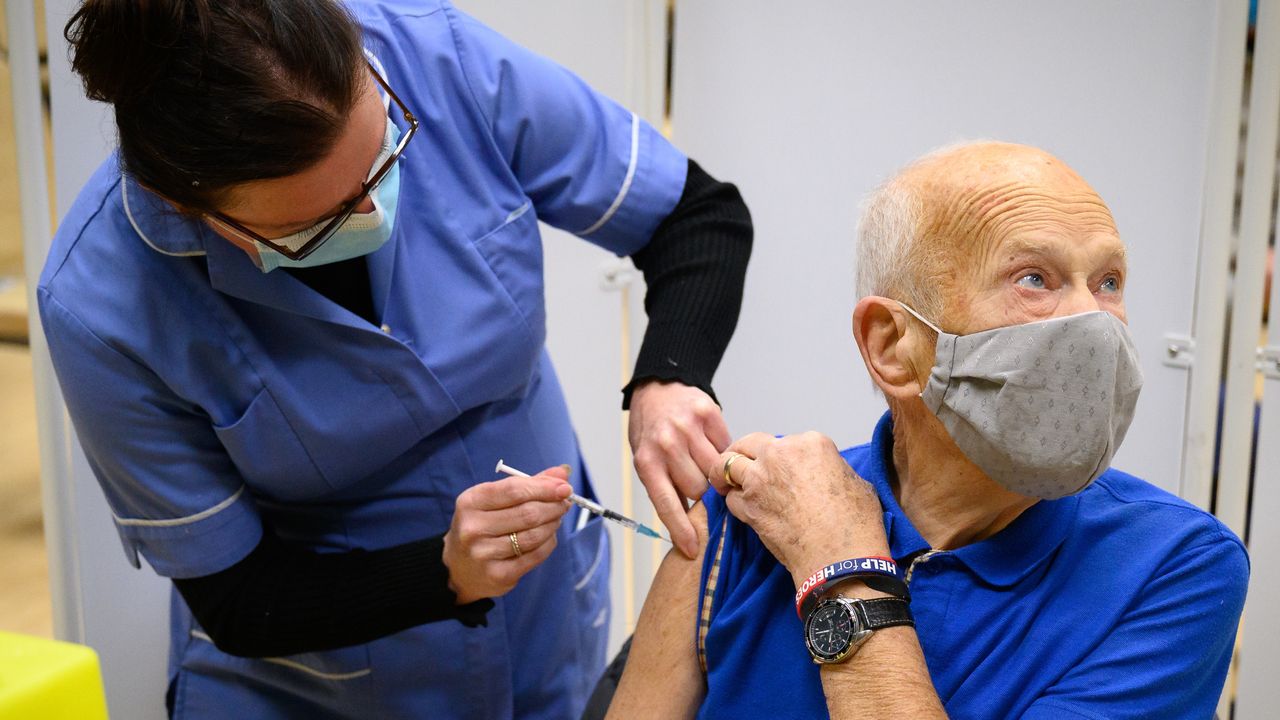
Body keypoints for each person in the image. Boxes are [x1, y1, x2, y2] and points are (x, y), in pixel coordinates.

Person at [38, 1, 751, 718]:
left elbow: (697, 216)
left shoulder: (431, 57)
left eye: (385, 154)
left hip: (544, 632)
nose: (375, 215)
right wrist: (442, 574)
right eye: (315, 223)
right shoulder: (101, 305)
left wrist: (670, 376)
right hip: (320, 682)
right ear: (187, 206)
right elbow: (239, 599)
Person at [608, 141, 1248, 719]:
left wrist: (837, 564)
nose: (1095, 325)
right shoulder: (753, 514)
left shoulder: (1176, 567)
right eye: (1034, 279)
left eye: (1108, 282)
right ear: (891, 346)